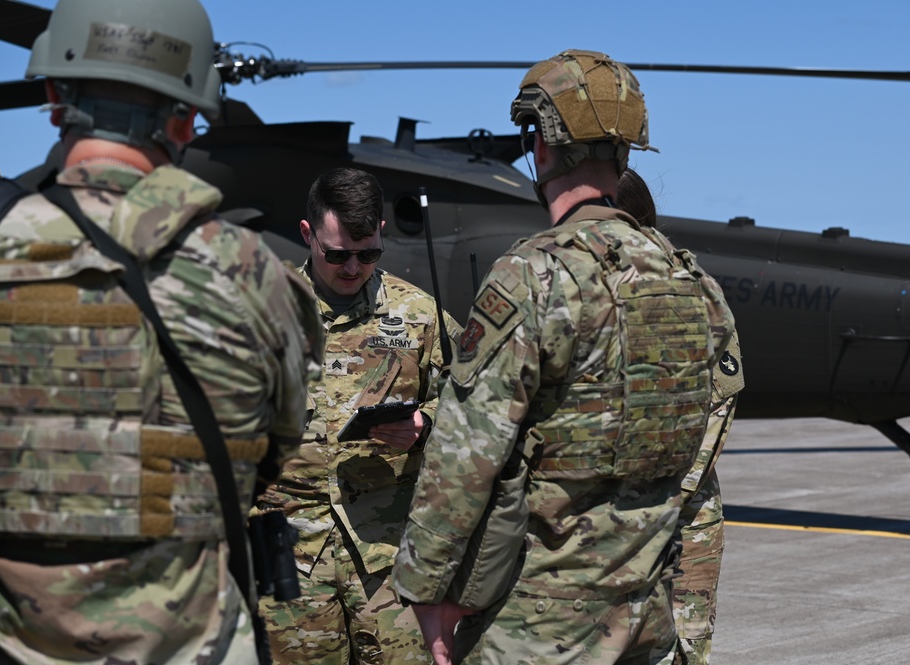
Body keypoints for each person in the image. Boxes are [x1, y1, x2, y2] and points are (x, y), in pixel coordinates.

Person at [0, 1, 323, 663]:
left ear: (55, 95)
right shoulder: (248, 269)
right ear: (187, 115)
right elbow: (283, 441)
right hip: (192, 641)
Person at [393, 49, 735, 665]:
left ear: (542, 146)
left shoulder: (533, 276)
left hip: (540, 625)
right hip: (646, 615)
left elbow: (465, 454)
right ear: (625, 153)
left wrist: (425, 588)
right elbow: (697, 454)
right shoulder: (694, 283)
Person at [255, 167, 463, 665]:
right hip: (289, 559)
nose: (353, 267)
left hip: (388, 557)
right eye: (338, 254)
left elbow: (479, 402)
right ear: (308, 235)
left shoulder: (419, 315)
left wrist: (426, 424)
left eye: (368, 253)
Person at [617, 168, 745, 665]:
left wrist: (656, 505)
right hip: (601, 529)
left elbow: (719, 404)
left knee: (682, 652)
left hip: (679, 518)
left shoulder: (694, 292)